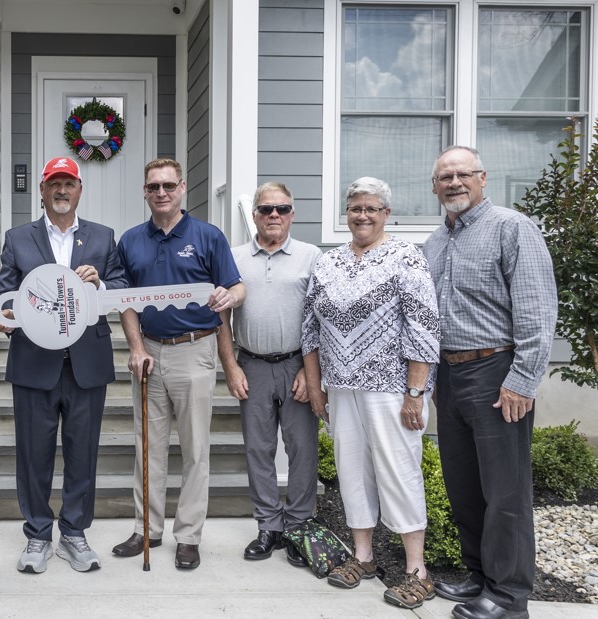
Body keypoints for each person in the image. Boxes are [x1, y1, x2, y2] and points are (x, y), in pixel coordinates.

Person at [423, 146, 557, 619]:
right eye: (445, 176)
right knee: (464, 485)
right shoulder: (435, 243)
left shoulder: (512, 228)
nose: (454, 182)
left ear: (483, 178)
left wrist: (522, 379)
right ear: (434, 187)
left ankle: (509, 597)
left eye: (463, 174)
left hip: (497, 373)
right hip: (449, 374)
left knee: (505, 492)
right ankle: (480, 576)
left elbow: (538, 310)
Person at [301, 177, 440, 609]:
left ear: (386, 214)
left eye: (371, 208)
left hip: (390, 388)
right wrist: (318, 386)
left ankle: (418, 571)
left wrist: (415, 392)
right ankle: (363, 557)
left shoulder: (406, 258)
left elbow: (423, 326)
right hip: (341, 388)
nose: (362, 215)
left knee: (398, 472)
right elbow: (310, 330)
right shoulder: (328, 262)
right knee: (352, 471)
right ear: (347, 213)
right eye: (355, 207)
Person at [0, 157, 127, 574]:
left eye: (69, 183)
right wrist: (8, 320)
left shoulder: (102, 237)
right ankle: (36, 534)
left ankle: (74, 533)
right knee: (34, 453)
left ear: (80, 190)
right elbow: (7, 295)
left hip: (86, 361)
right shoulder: (18, 238)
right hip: (35, 361)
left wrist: (98, 284)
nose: (62, 191)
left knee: (83, 452)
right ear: (43, 191)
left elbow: (120, 287)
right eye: (54, 184)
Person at [112, 158, 244, 570]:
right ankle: (146, 529)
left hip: (195, 350)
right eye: (154, 186)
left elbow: (235, 285)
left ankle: (188, 535)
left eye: (168, 185)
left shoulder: (207, 236)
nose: (162, 193)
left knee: (194, 449)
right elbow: (124, 300)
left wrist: (231, 298)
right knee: (147, 447)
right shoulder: (131, 240)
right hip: (148, 350)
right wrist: (136, 348)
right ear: (145, 191)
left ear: (182, 187)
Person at [216, 182, 321, 565]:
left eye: (281, 209)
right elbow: (221, 318)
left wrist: (313, 372)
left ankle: (298, 526)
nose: (273, 215)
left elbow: (323, 318)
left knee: (302, 450)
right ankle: (268, 526)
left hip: (298, 365)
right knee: (258, 450)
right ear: (255, 215)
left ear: (292, 214)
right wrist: (230, 368)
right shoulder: (234, 257)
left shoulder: (312, 257)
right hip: (253, 365)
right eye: (265, 209)